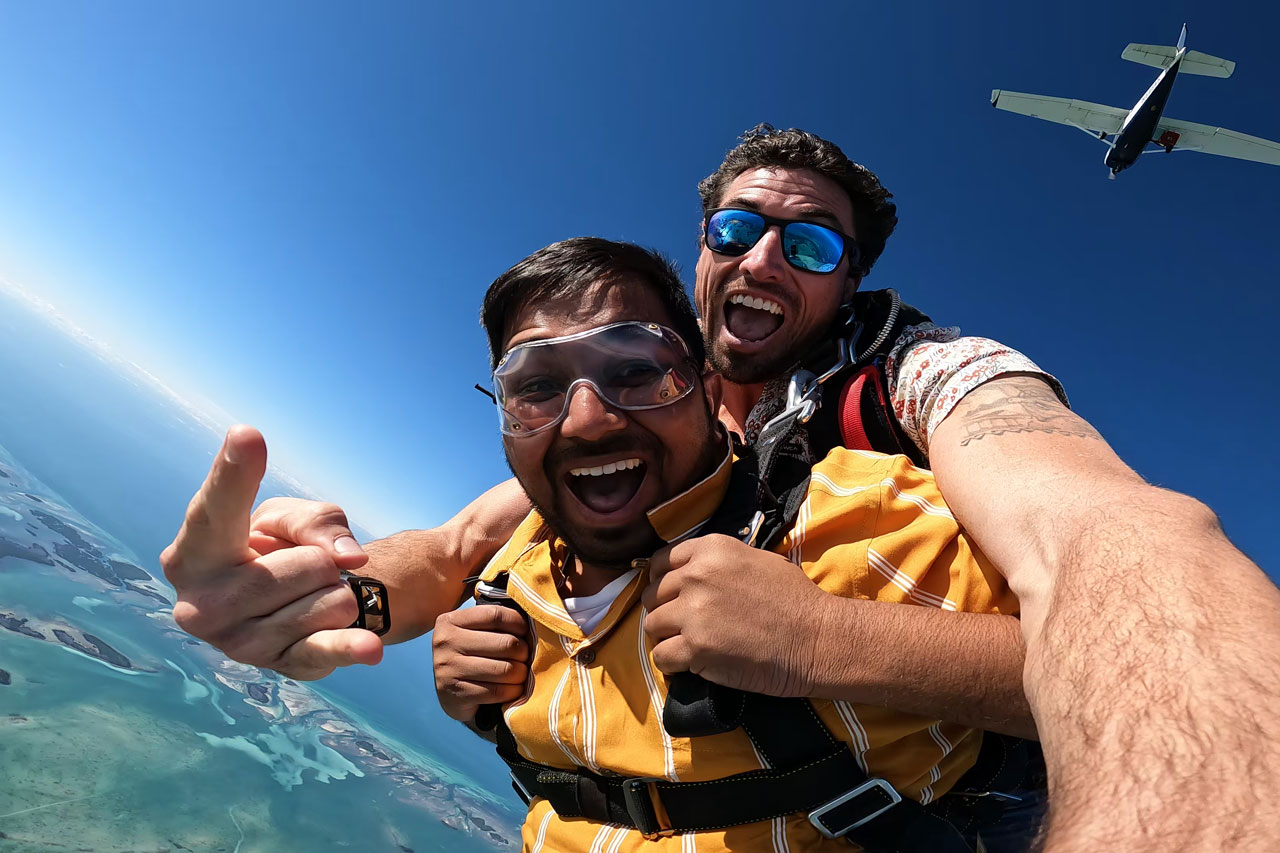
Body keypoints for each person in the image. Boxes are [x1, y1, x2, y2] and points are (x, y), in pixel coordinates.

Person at [162, 127, 1280, 851]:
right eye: (737, 229)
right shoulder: (635, 387)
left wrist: (821, 639)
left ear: (849, 284)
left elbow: (1106, 537)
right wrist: (338, 598)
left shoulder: (923, 382)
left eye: (810, 246)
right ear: (700, 247)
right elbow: (458, 545)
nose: (760, 262)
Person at [431, 236, 1043, 851]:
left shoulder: (855, 525)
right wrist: (482, 705)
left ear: (706, 384)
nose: (588, 419)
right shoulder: (515, 561)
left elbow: (1127, 663)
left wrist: (823, 637)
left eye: (637, 370)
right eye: (535, 387)